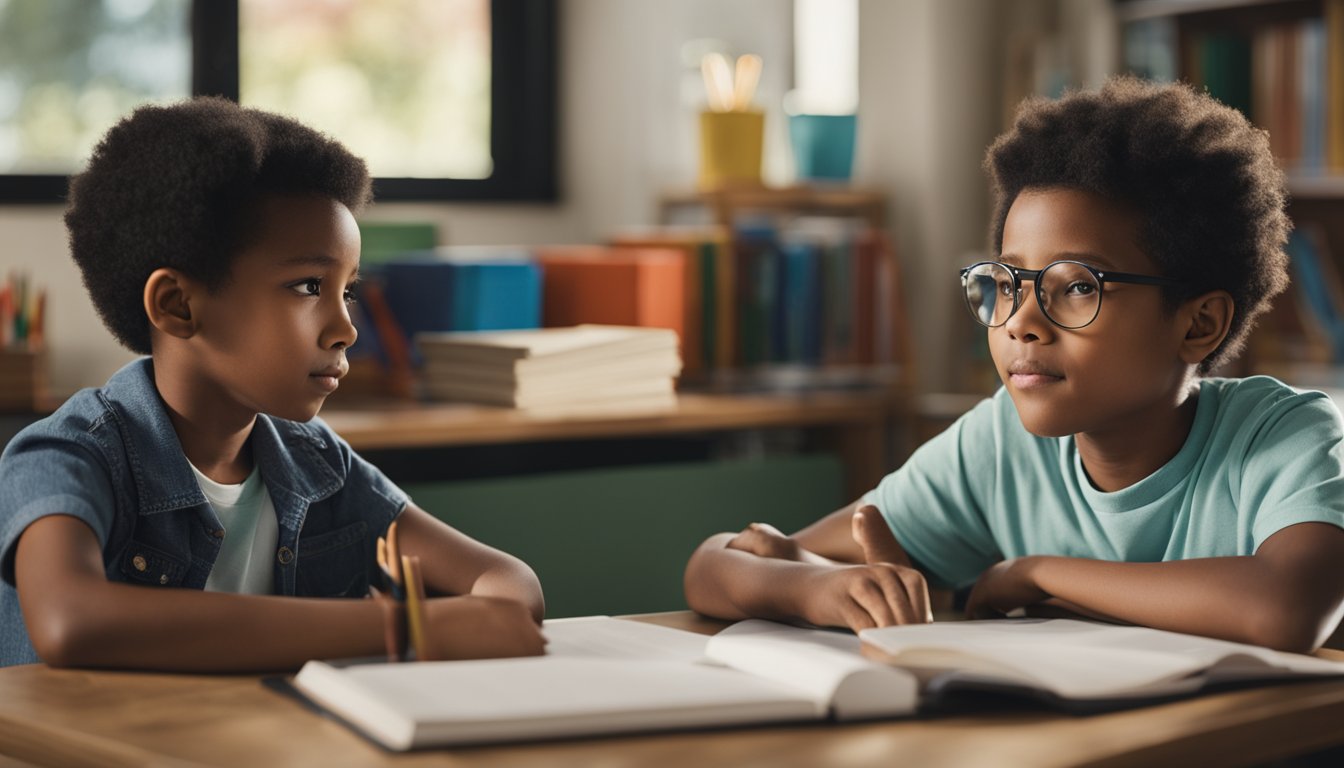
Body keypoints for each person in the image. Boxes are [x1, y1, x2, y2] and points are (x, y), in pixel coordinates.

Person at [684, 76, 1344, 653]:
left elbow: (1284, 609)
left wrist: (1037, 573)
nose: (1021, 321)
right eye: (1007, 284)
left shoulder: (1286, 435)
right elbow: (719, 566)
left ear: (1199, 324)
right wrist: (816, 591)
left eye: (1079, 285)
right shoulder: (1002, 445)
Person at [0, 97, 546, 670]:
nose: (345, 329)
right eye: (309, 286)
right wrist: (401, 627)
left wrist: (485, 615)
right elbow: (71, 622)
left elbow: (507, 582)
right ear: (177, 304)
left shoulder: (315, 464)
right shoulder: (65, 455)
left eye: (348, 290)